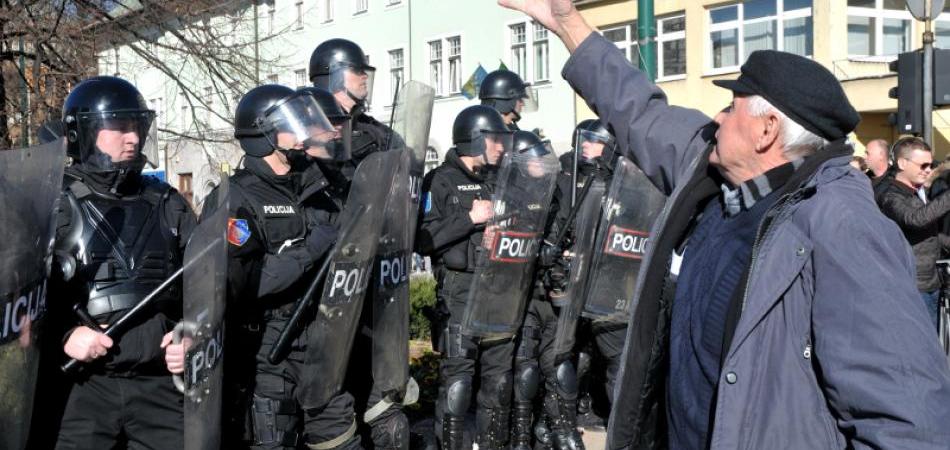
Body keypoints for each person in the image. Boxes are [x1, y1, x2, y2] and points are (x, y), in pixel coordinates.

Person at [499, 0, 950, 448]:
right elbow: (639, 112)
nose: (717, 119)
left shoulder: (843, 224)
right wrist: (567, 22)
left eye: (731, 109)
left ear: (767, 130)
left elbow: (905, 416)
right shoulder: (713, 176)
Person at [42, 75, 196, 450]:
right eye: (119, 127)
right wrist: (63, 335)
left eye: (137, 126)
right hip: (82, 387)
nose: (133, 137)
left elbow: (207, 282)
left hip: (159, 382)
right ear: (84, 132)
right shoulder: (50, 203)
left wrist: (193, 332)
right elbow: (19, 302)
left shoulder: (166, 201)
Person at [217, 84, 343, 450]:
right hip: (269, 348)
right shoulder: (236, 198)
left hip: (323, 341)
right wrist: (310, 251)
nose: (304, 129)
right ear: (265, 135)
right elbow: (246, 281)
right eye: (294, 122)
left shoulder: (317, 186)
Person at [309, 38, 416, 449]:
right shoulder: (307, 127)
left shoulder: (379, 134)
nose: (365, 79)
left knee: (386, 415)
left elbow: (409, 186)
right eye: (358, 71)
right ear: (334, 74)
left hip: (374, 284)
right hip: (324, 283)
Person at [416, 104, 513, 450]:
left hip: (498, 289)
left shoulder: (498, 179)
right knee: (457, 385)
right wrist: (470, 219)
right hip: (459, 291)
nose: (502, 146)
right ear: (474, 140)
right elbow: (422, 239)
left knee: (499, 382)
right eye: (495, 139)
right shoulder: (440, 181)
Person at [876, 137, 950, 331]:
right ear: (902, 163)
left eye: (931, 164)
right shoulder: (890, 194)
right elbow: (915, 219)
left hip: (929, 281)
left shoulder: (915, 191)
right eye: (923, 165)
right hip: (909, 286)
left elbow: (927, 233)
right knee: (919, 350)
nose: (928, 169)